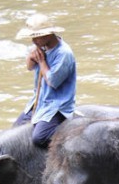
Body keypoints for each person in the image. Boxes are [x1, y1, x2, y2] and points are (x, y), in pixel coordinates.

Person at [14, 13, 76, 148]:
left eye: (36, 37)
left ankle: (71, 135)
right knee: (15, 130)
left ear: (47, 35)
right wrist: (31, 57)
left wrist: (42, 61)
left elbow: (53, 82)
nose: (33, 41)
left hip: (56, 105)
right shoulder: (39, 47)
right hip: (39, 101)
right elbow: (30, 67)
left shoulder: (64, 53)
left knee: (39, 138)